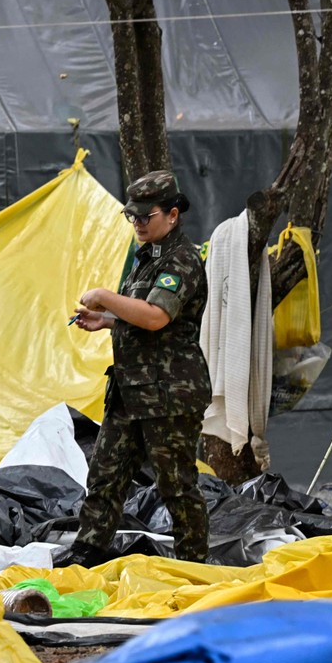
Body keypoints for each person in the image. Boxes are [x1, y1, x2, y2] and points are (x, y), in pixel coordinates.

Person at [59, 170, 213, 567]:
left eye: (147, 217)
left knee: (176, 485)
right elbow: (143, 318)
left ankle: (192, 564)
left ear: (173, 215)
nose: (139, 225)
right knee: (104, 474)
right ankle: (87, 550)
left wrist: (106, 299)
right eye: (134, 217)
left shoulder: (181, 260)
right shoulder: (147, 258)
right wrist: (108, 321)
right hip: (131, 390)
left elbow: (157, 317)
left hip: (169, 393)